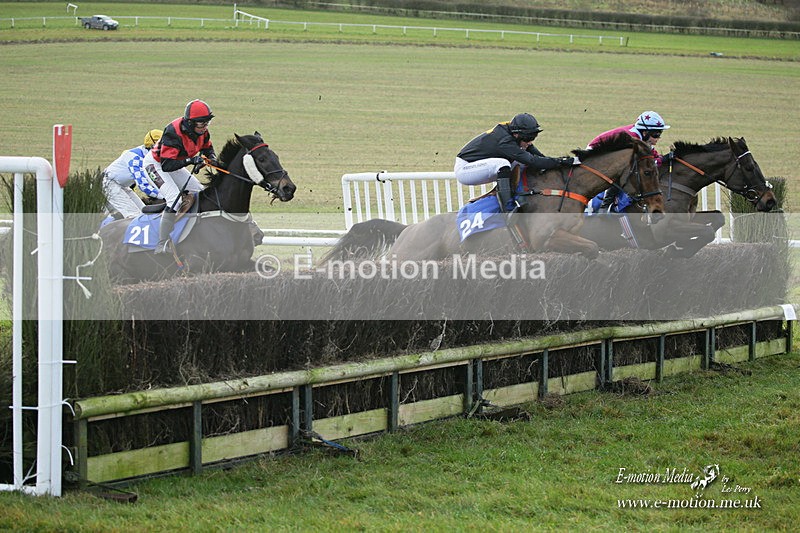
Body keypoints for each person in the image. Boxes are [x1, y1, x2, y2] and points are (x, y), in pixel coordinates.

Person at [454, 113, 579, 211]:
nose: (530, 142)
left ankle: (522, 195)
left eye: (533, 138)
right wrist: (563, 161)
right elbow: (533, 160)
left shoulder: (515, 134)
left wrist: (562, 163)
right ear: (516, 135)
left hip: (481, 165)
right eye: (528, 138)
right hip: (466, 169)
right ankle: (508, 207)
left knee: (521, 163)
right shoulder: (505, 141)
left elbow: (540, 157)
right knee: (503, 163)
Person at [143, 99, 218, 254]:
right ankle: (161, 243)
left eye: (207, 123)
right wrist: (191, 160)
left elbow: (208, 149)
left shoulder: (202, 132)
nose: (205, 126)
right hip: (156, 164)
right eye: (201, 123)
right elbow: (166, 166)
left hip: (175, 162)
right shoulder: (173, 132)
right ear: (191, 123)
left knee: (199, 191)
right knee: (174, 198)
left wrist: (211, 159)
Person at [589, 110, 670, 212]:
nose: (658, 138)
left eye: (660, 133)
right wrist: (660, 160)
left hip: (609, 152)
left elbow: (654, 156)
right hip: (594, 154)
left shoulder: (643, 138)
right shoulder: (631, 138)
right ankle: (605, 205)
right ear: (645, 132)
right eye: (656, 134)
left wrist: (663, 159)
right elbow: (647, 163)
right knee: (624, 170)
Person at [102, 129, 163, 218]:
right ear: (153, 146)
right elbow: (144, 186)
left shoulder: (147, 155)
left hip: (121, 185)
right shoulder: (136, 159)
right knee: (134, 216)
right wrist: (164, 197)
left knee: (144, 213)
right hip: (109, 184)